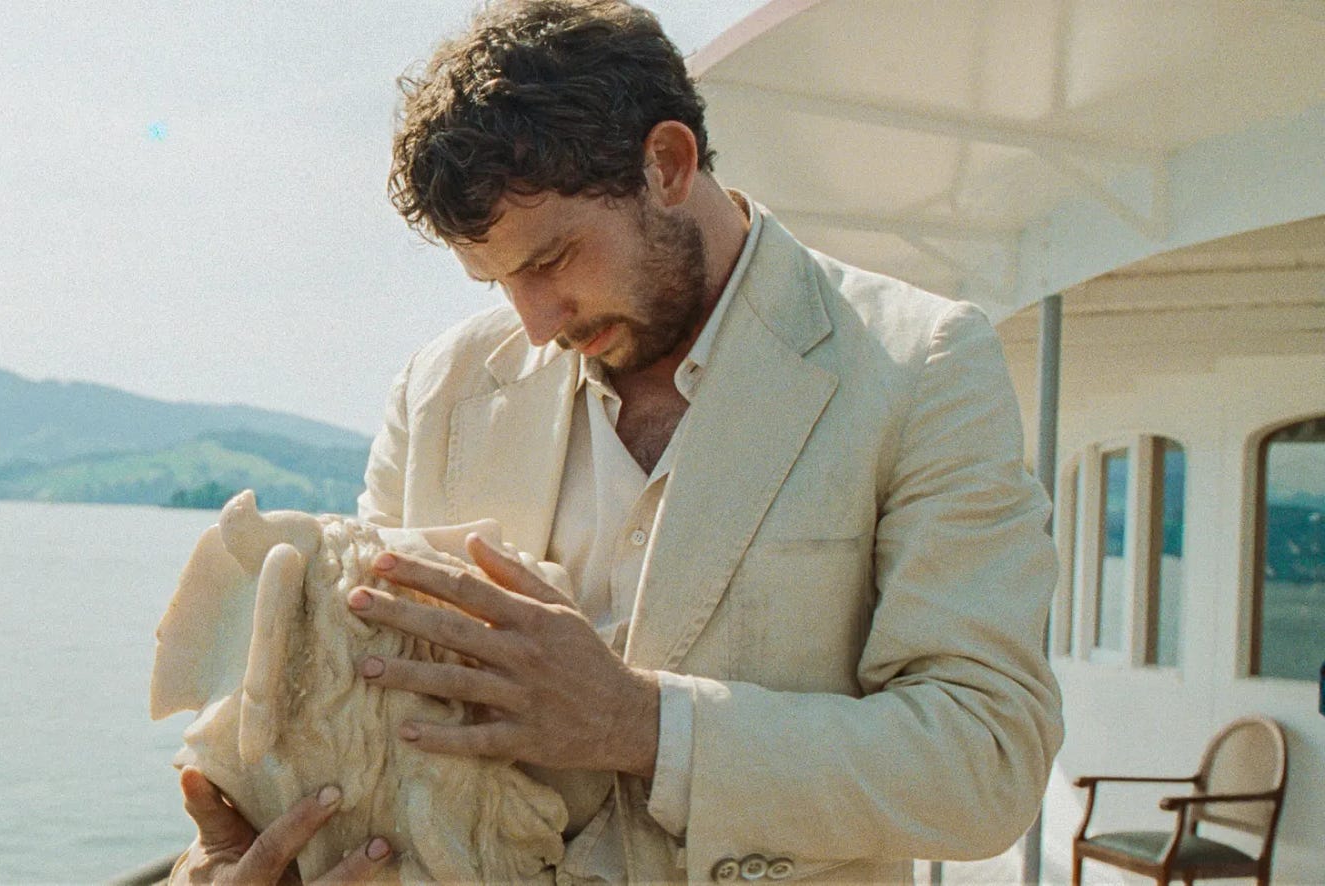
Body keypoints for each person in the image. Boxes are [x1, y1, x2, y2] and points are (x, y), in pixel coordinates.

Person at [173, 0, 1064, 882]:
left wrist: (639, 723)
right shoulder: (437, 391)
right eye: (497, 282)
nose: (534, 323)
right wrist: (232, 858)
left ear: (667, 164)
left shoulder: (920, 364)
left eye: (550, 260)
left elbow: (988, 759)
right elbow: (356, 716)